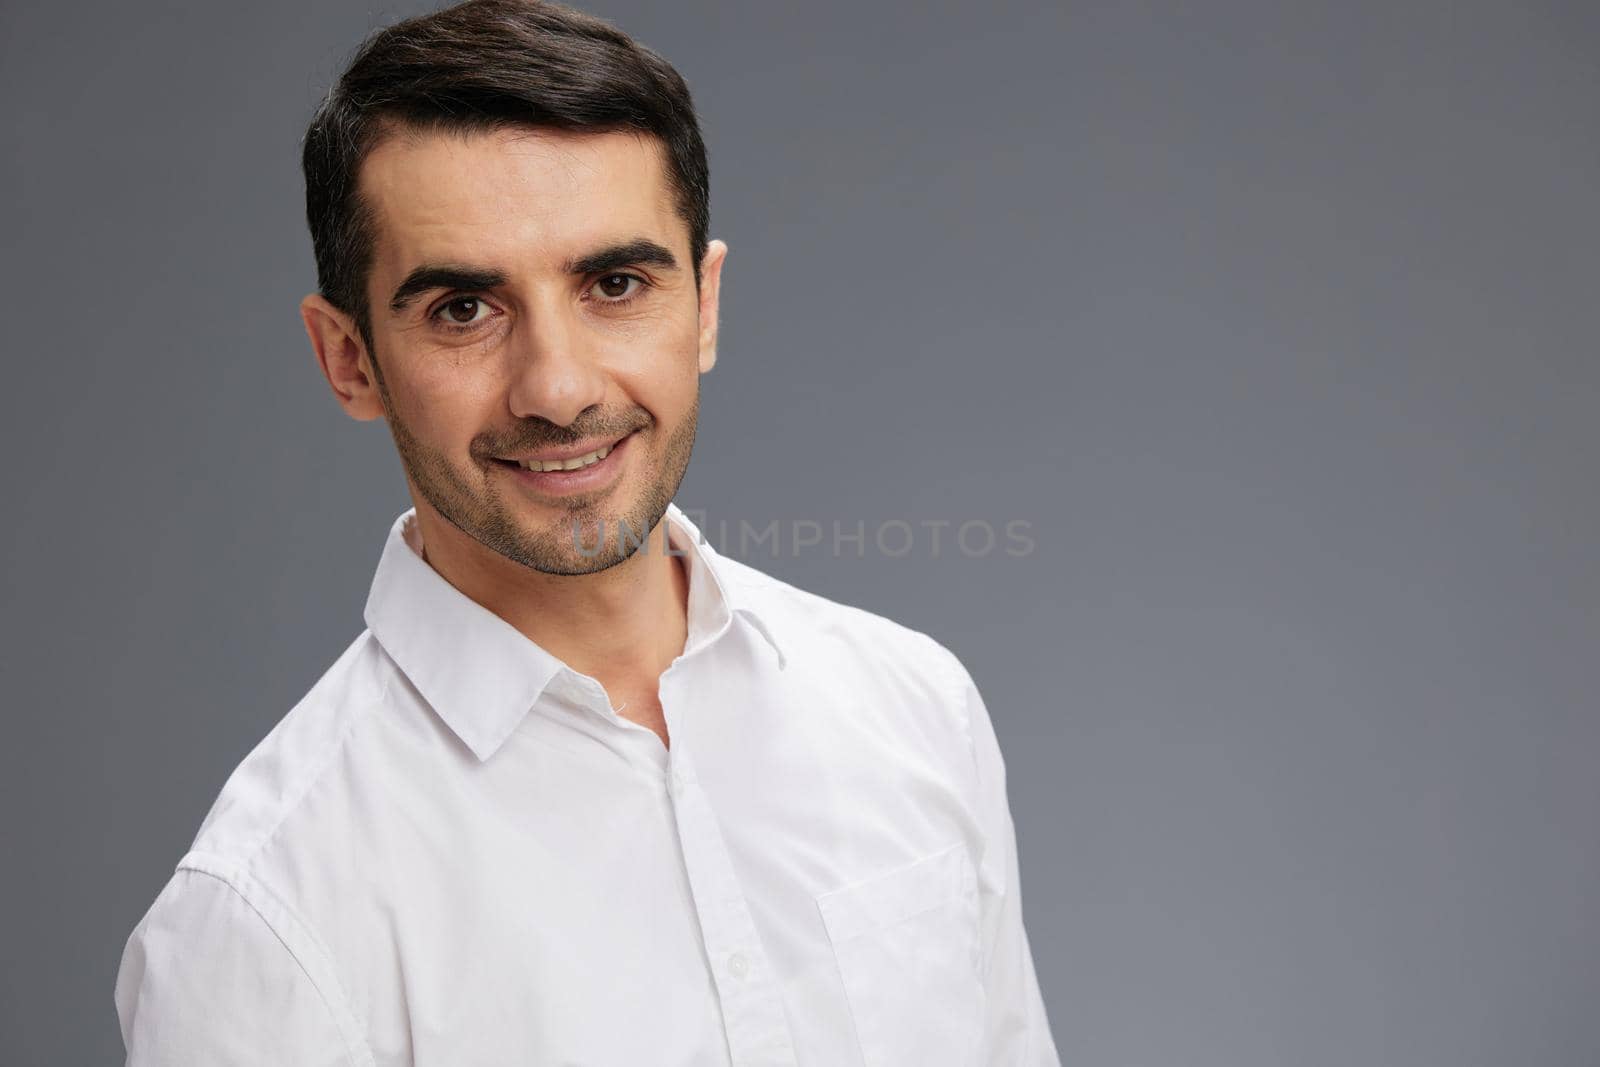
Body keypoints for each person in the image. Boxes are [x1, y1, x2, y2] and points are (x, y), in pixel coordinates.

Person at [112, 1, 1060, 1063]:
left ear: (702, 306)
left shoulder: (914, 708)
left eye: (615, 284)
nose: (557, 390)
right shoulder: (263, 917)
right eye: (464, 308)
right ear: (349, 359)